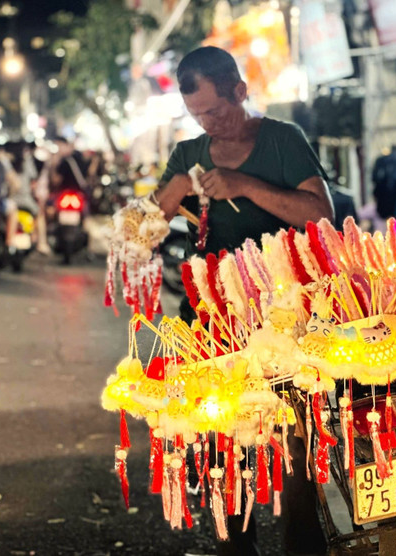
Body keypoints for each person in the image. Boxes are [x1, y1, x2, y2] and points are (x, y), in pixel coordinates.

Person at [154, 46, 334, 555]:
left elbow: (321, 214)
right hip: (211, 323)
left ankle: (303, 543)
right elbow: (138, 234)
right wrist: (163, 201)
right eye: (196, 114)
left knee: (296, 442)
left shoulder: (282, 140)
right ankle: (235, 546)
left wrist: (244, 186)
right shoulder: (188, 154)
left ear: (240, 91)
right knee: (222, 440)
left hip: (287, 320)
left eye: (215, 110)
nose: (208, 123)